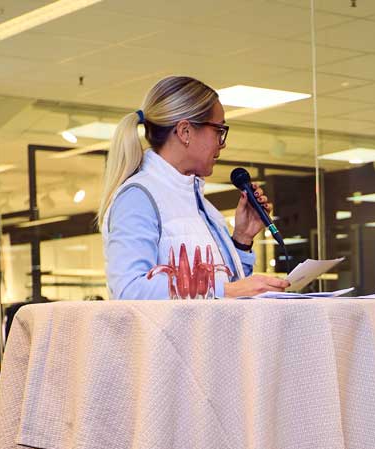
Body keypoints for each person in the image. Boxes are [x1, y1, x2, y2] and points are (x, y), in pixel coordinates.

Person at [100, 75, 289, 299]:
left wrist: (242, 239)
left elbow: (225, 292)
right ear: (185, 131)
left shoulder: (202, 206)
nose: (222, 143)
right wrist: (226, 290)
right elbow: (130, 289)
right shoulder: (138, 198)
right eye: (218, 131)